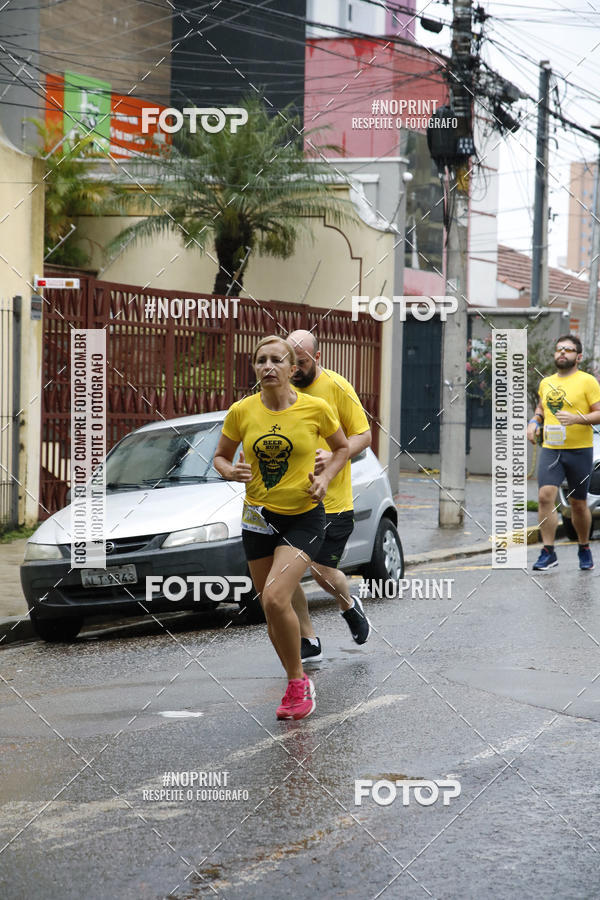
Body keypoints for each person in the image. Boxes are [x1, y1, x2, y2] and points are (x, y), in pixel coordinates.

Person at [213, 335, 349, 720]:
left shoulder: (316, 408)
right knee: (270, 608)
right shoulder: (242, 411)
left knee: (275, 597)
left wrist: (326, 480)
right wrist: (230, 471)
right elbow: (220, 457)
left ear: (293, 369)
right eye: (261, 361)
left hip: (304, 516)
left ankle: (297, 682)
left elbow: (341, 448)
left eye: (276, 360)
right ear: (254, 369)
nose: (268, 366)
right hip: (258, 518)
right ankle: (296, 679)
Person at [287, 329, 372, 663]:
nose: (294, 369)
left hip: (333, 501)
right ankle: (308, 638)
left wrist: (336, 453)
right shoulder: (280, 389)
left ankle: (348, 604)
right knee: (286, 572)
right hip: (289, 502)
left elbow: (363, 436)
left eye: (302, 362)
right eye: (289, 361)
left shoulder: (336, 387)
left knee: (321, 571)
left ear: (317, 358)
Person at [527, 333, 600, 571]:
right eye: (559, 349)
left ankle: (584, 546)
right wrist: (534, 422)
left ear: (578, 357)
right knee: (545, 496)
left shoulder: (588, 381)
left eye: (567, 350)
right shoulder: (546, 382)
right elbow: (541, 408)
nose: (562, 353)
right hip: (552, 449)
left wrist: (577, 418)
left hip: (580, 450)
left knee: (578, 504)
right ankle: (548, 551)